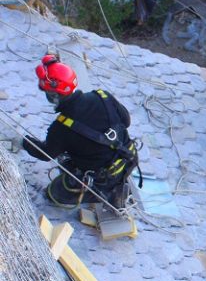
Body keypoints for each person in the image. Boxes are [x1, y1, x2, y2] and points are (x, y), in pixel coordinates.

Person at [22, 54, 139, 208]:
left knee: (53, 194)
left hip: (102, 178)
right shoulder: (103, 96)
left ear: (53, 95)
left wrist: (24, 141)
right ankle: (115, 184)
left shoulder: (61, 128)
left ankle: (107, 193)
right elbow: (126, 121)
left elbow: (45, 153)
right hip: (128, 158)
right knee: (73, 150)